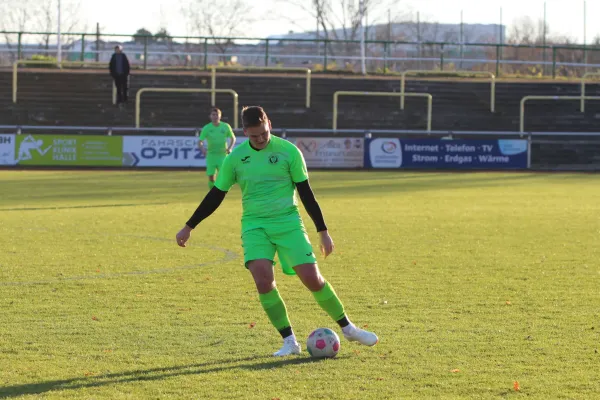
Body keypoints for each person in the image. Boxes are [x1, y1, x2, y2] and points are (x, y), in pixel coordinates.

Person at [176, 106, 378, 357]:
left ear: (269, 123)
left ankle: (349, 329)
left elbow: (306, 194)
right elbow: (216, 195)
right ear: (245, 132)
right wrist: (189, 226)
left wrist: (322, 230)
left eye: (264, 133)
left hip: (288, 223)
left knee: (313, 279)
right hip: (254, 225)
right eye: (254, 136)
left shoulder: (288, 151)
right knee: (263, 280)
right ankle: (289, 341)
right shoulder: (235, 159)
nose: (260, 139)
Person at [198, 108, 236, 189]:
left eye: (217, 114)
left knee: (223, 175)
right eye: (213, 115)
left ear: (220, 116)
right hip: (211, 155)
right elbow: (200, 141)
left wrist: (229, 148)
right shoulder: (207, 128)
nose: (215, 116)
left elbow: (233, 138)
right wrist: (203, 149)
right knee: (211, 176)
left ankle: (221, 191)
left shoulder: (225, 126)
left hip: (222, 154)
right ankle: (212, 193)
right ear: (210, 116)